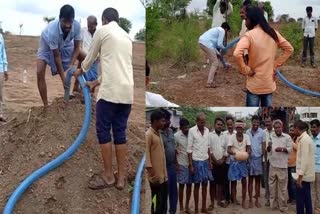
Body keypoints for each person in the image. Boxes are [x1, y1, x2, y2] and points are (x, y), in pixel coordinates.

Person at [75, 8, 133, 190]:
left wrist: (79, 71)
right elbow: (118, 66)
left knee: (103, 131)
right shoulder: (127, 37)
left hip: (109, 94)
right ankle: (121, 178)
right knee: (120, 133)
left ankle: (108, 177)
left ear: (104, 19)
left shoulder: (103, 31)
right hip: (126, 93)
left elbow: (90, 57)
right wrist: (96, 82)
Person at [233, 6, 293, 107]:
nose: (245, 22)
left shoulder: (249, 35)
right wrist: (274, 65)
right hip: (268, 84)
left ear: (252, 19)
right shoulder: (273, 33)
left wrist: (246, 69)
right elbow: (289, 49)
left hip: (254, 85)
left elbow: (236, 53)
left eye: (246, 19)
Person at [37, 5, 85, 107]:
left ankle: (76, 87)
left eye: (70, 22)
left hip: (66, 43)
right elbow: (57, 56)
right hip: (46, 44)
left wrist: (72, 64)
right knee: (39, 71)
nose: (67, 25)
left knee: (84, 57)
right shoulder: (52, 30)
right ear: (59, 19)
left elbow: (77, 48)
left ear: (73, 20)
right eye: (64, 22)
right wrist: (64, 80)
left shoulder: (76, 26)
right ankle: (46, 105)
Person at [187, 112, 212, 214]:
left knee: (205, 185)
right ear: (196, 121)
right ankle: (196, 209)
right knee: (197, 186)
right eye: (201, 122)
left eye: (204, 122)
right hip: (196, 161)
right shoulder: (192, 131)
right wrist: (191, 165)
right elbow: (189, 149)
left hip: (205, 161)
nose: (203, 124)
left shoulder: (207, 131)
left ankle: (203, 207)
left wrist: (210, 161)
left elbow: (208, 147)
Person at [267, 120, 292, 212]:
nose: (277, 129)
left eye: (279, 127)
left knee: (282, 189)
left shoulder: (287, 137)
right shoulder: (271, 137)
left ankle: (283, 207)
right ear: (274, 128)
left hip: (282, 166)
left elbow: (290, 149)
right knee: (272, 187)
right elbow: (268, 150)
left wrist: (281, 149)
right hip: (273, 165)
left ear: (282, 127)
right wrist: (269, 147)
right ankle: (273, 206)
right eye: (276, 127)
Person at [146, 110, 168, 214]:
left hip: (163, 176)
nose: (164, 123)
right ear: (155, 121)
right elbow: (147, 155)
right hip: (156, 178)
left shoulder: (158, 134)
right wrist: (152, 173)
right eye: (162, 121)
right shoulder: (149, 135)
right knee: (156, 201)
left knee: (163, 201)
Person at [227, 120, 251, 209]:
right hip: (234, 162)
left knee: (244, 182)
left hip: (243, 162)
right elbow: (228, 150)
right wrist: (236, 154)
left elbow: (249, 148)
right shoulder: (232, 137)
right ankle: (234, 201)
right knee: (233, 182)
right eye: (238, 128)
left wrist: (246, 154)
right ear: (236, 129)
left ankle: (244, 201)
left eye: (241, 128)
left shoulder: (246, 137)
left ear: (243, 128)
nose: (240, 129)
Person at [198, 22, 231, 88]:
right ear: (226, 29)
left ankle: (213, 73)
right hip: (206, 43)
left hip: (201, 42)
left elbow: (213, 45)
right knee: (215, 62)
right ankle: (209, 83)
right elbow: (219, 44)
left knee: (213, 60)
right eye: (227, 31)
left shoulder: (216, 29)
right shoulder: (222, 30)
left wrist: (217, 53)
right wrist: (225, 49)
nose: (226, 33)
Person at [73, 15, 99, 94]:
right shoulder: (83, 31)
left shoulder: (99, 33)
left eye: (91, 26)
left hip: (95, 60)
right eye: (88, 26)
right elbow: (77, 41)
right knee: (84, 78)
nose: (89, 28)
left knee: (93, 79)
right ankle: (82, 95)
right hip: (86, 59)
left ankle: (90, 98)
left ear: (96, 24)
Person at [294, 120, 315, 214]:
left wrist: (300, 177)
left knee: (301, 200)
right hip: (304, 175)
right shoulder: (304, 138)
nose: (293, 131)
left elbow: (304, 160)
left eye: (293, 129)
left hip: (303, 177)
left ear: (297, 129)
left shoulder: (305, 140)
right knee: (306, 199)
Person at [246, 115, 266, 208]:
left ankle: (257, 200)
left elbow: (263, 146)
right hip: (250, 159)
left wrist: (264, 159)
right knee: (250, 180)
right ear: (251, 122)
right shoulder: (247, 132)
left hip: (258, 159)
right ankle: (250, 200)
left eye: (257, 122)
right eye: (254, 122)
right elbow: (246, 146)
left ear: (259, 123)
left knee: (257, 181)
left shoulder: (262, 132)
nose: (256, 124)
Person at [160, 109, 178, 214]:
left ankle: (173, 211)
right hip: (162, 167)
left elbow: (174, 148)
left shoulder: (171, 132)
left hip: (171, 166)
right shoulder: (157, 133)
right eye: (166, 120)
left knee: (173, 191)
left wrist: (176, 163)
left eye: (169, 120)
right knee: (163, 192)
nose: (169, 122)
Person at [209, 117, 228, 209]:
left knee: (220, 183)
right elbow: (209, 150)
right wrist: (215, 161)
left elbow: (226, 149)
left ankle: (219, 201)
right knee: (212, 183)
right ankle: (212, 203)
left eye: (221, 125)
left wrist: (223, 159)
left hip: (222, 162)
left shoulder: (224, 135)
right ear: (214, 125)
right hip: (213, 163)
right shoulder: (210, 135)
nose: (220, 126)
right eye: (218, 124)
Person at [175, 118, 192, 214]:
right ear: (180, 127)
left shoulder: (191, 135)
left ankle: (187, 206)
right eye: (185, 127)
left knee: (189, 185)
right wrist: (176, 164)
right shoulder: (176, 136)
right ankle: (181, 206)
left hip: (190, 164)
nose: (187, 129)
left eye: (187, 127)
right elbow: (174, 150)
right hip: (181, 164)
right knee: (181, 186)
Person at [222, 115, 236, 204]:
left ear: (233, 124)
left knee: (234, 181)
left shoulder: (237, 133)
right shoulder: (223, 134)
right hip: (226, 161)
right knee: (226, 181)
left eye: (231, 124)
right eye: (228, 125)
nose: (230, 126)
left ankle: (234, 198)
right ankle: (227, 199)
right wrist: (226, 155)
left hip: (234, 161)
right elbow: (223, 148)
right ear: (226, 125)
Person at [263, 116, 273, 206]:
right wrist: (265, 161)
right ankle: (268, 198)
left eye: (269, 122)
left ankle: (274, 198)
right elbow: (263, 148)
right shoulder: (263, 132)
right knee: (266, 180)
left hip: (274, 160)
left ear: (272, 122)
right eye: (266, 122)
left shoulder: (276, 131)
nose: (267, 124)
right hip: (265, 160)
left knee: (273, 180)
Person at [311, 119, 320, 213]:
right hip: (311, 169)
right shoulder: (310, 139)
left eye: (314, 127)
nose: (312, 130)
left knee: (318, 190)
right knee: (312, 190)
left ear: (318, 127)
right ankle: (313, 207)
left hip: (319, 170)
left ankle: (318, 207)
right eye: (311, 128)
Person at [287, 125, 298, 205]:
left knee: (293, 183)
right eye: (290, 130)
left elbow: (298, 148)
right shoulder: (287, 138)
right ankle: (290, 198)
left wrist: (291, 142)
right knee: (288, 183)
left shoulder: (297, 139)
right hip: (286, 165)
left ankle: (294, 198)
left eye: (292, 130)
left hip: (294, 165)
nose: (291, 132)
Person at [0, 32, 8, 122]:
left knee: (0, 93)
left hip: (0, 68)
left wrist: (5, 68)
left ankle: (0, 114)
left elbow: (3, 53)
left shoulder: (0, 36)